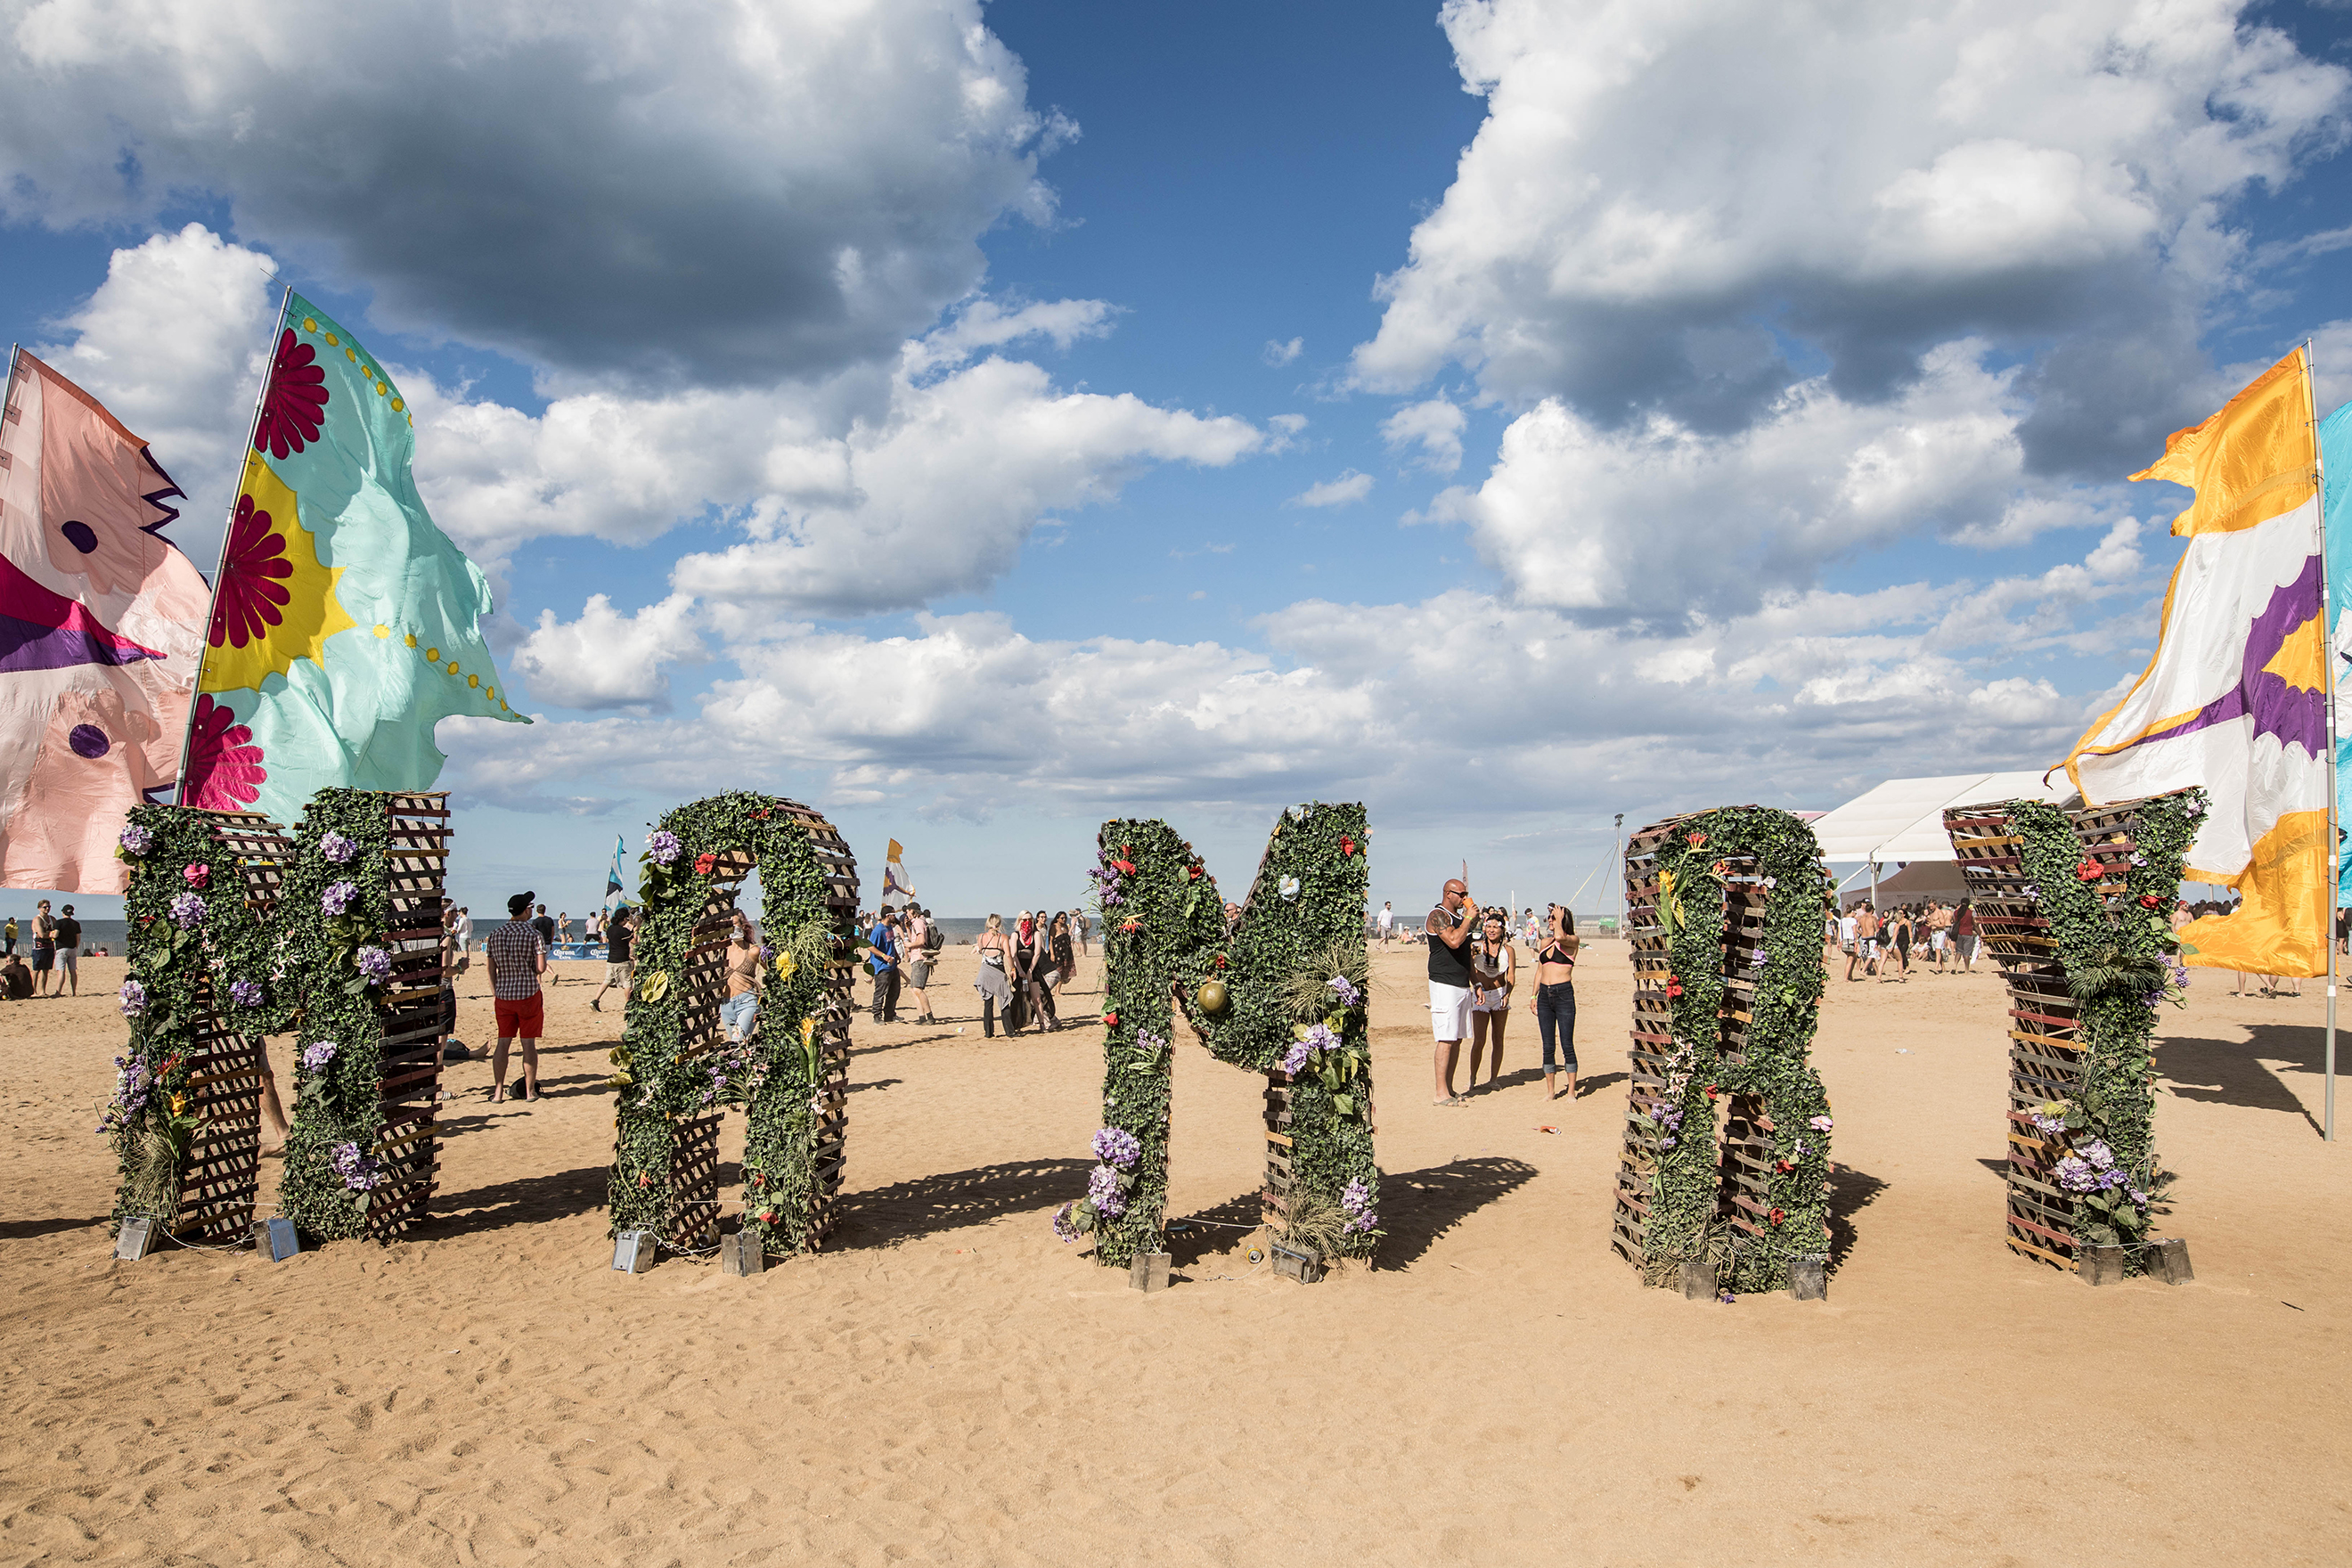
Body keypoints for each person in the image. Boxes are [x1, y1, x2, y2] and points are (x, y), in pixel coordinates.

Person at [485, 892, 548, 1104]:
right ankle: (530, 1092)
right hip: (528, 993)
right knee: (528, 1044)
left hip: (504, 995)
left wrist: (495, 990)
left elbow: (491, 968)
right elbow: (540, 968)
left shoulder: (496, 933)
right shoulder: (533, 934)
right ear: (526, 910)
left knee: (503, 1043)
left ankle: (498, 1092)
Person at [1426, 878, 1480, 1105]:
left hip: (1461, 983)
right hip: (1444, 983)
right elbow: (1454, 941)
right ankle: (1440, 1093)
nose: (1464, 898)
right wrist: (1469, 917)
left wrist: (1476, 983)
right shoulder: (1437, 916)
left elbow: (1466, 953)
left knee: (1457, 1038)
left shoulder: (1459, 918)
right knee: (1445, 1038)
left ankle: (1448, 1088)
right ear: (1448, 894)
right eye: (1461, 894)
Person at [1528, 902, 1579, 1100]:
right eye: (1549, 918)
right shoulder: (1545, 943)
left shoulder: (1571, 941)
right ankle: (1550, 1092)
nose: (1549, 921)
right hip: (1544, 996)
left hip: (1564, 994)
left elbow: (1561, 937)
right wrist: (1534, 995)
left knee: (1567, 1044)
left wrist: (1559, 919)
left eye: (1553, 918)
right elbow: (1539, 971)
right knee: (1548, 1045)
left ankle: (1571, 1092)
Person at [1466, 909, 1515, 1090]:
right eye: (1489, 926)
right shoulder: (1477, 946)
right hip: (1481, 995)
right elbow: (1471, 969)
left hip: (1500, 995)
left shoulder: (1508, 950)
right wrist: (1476, 986)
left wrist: (1508, 993)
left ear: (1502, 930)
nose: (1492, 929)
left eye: (1496, 926)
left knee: (1498, 1038)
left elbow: (1511, 975)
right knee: (1479, 1040)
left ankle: (1494, 1078)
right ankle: (1473, 1078)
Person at [721, 913, 763, 1042]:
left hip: (746, 1002)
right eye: (729, 925)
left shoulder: (753, 951)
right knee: (742, 1047)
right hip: (726, 1005)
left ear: (743, 926)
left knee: (737, 1041)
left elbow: (772, 969)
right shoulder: (722, 951)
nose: (732, 928)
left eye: (734, 924)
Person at [975, 912, 1015, 1037]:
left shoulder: (981, 937)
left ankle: (988, 1032)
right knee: (1004, 1001)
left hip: (985, 971)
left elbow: (981, 951)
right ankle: (1010, 1032)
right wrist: (1012, 968)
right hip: (998, 971)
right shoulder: (1003, 938)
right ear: (999, 924)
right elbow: (1008, 955)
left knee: (988, 1002)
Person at [592, 905, 635, 1013]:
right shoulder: (623, 931)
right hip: (622, 960)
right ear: (624, 919)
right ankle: (627, 1004)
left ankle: (595, 1000)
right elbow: (634, 941)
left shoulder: (610, 929)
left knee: (607, 981)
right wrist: (634, 928)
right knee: (627, 983)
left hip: (611, 960)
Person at [902, 906, 938, 1025]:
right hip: (916, 958)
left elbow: (921, 941)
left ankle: (930, 1017)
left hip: (920, 958)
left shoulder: (918, 922)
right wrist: (908, 927)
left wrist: (909, 945)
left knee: (917, 989)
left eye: (908, 911)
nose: (907, 913)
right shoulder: (918, 922)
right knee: (913, 989)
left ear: (913, 911)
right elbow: (915, 936)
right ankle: (922, 1017)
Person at [867, 908, 901, 1024]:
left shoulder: (890, 927)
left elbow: (890, 943)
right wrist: (883, 955)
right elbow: (870, 946)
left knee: (894, 991)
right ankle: (877, 1017)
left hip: (892, 966)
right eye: (893, 914)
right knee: (880, 992)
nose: (895, 916)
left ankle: (890, 1015)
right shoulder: (878, 930)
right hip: (882, 967)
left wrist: (896, 955)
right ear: (887, 916)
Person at [53, 903, 81, 996]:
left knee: (61, 971)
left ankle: (58, 992)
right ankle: (74, 992)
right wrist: (76, 947)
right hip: (72, 948)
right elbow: (78, 938)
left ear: (62, 912)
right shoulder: (76, 923)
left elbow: (56, 935)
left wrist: (51, 935)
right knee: (73, 971)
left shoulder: (59, 922)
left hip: (61, 948)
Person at [29, 899, 55, 997]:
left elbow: (56, 931)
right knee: (36, 969)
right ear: (39, 908)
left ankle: (42, 990)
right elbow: (41, 934)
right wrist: (52, 934)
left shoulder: (52, 919)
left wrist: (51, 934)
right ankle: (33, 990)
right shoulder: (38, 919)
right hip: (39, 948)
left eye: (49, 907)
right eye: (45, 907)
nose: (47, 909)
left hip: (50, 947)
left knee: (46, 970)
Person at [1952, 899, 1979, 973]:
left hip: (1959, 933)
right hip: (1968, 933)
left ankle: (1955, 966)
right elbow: (1974, 923)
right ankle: (1966, 969)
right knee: (1967, 953)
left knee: (1958, 951)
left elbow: (1955, 921)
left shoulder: (1956, 912)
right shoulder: (1971, 913)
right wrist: (1979, 931)